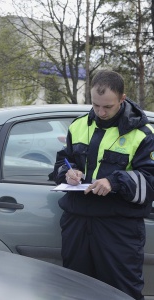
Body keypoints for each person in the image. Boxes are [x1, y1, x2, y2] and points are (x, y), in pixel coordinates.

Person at [52, 69, 154, 300]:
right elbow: (62, 162)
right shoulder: (78, 126)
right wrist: (69, 172)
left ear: (122, 98)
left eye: (108, 106)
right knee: (75, 291)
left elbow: (150, 180)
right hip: (77, 223)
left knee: (120, 293)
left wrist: (115, 181)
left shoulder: (143, 134)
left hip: (118, 227)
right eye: (96, 105)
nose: (101, 112)